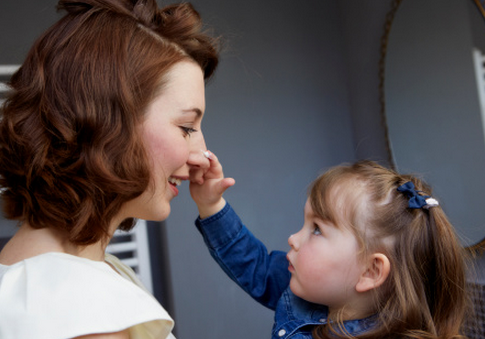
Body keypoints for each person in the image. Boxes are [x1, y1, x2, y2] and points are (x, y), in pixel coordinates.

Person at [0, 0, 219, 338]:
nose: (202, 154)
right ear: (108, 125)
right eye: (187, 127)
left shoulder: (77, 280)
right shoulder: (80, 312)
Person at [191, 155, 470, 338]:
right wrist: (211, 206)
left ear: (370, 271)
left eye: (316, 230)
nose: (293, 238)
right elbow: (256, 266)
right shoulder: (303, 294)